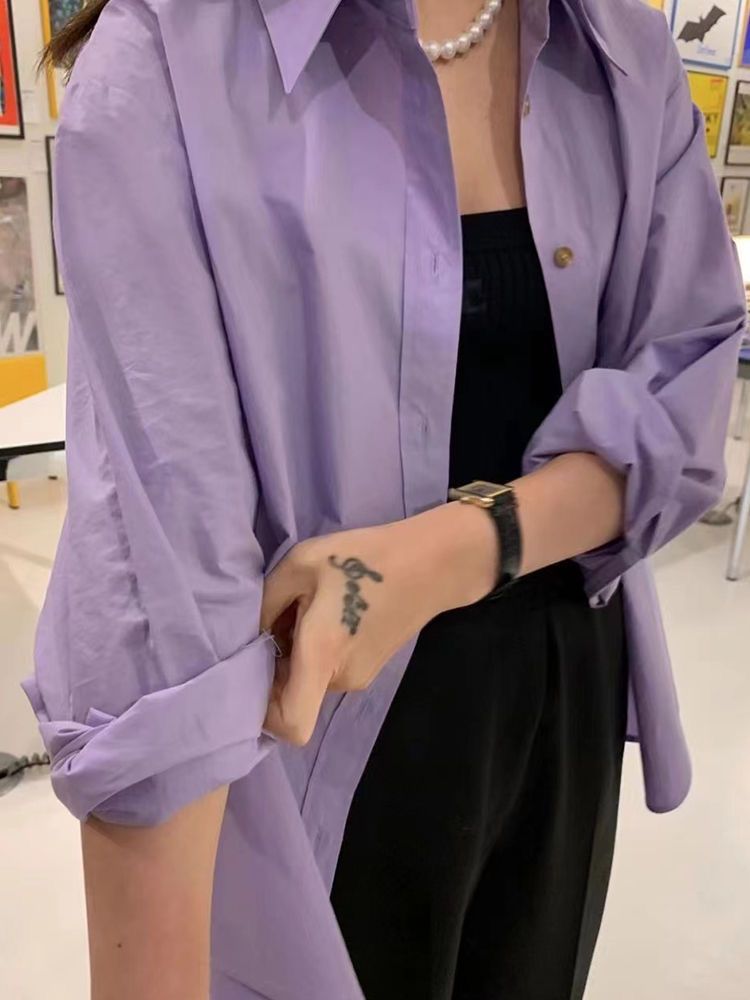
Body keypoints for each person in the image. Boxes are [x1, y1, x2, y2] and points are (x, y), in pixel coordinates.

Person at [24, 0, 745, 998]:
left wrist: (440, 555)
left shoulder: (618, 46)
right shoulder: (170, 58)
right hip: (309, 745)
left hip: (559, 697)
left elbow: (686, 393)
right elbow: (159, 604)